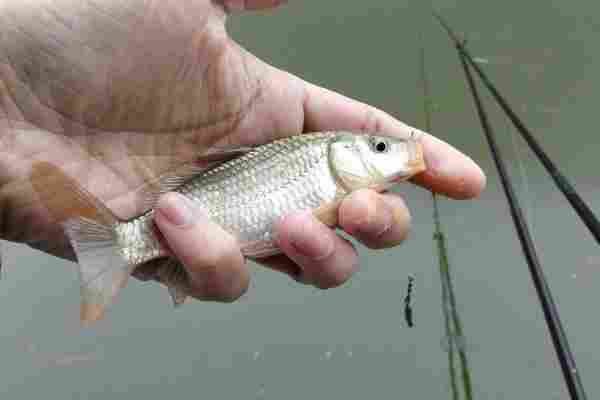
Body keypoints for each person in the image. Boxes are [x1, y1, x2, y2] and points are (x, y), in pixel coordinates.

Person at [0, 0, 485, 303]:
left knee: (304, 237)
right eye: (379, 147)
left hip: (171, 211)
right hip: (167, 209)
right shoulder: (319, 162)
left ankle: (123, 245)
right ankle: (121, 244)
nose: (393, 153)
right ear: (344, 153)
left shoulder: (338, 177)